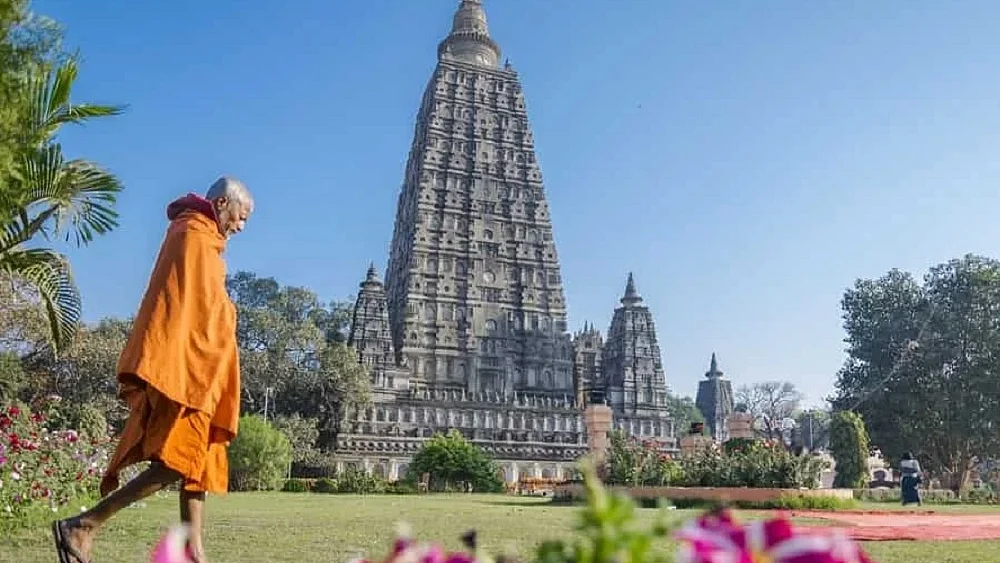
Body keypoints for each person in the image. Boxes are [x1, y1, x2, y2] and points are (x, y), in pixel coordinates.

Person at [51, 177, 254, 563]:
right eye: (240, 217)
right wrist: (227, 315)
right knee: (177, 462)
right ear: (223, 202)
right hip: (186, 371)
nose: (240, 227)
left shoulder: (202, 238)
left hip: (202, 373)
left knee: (200, 461)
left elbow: (205, 306)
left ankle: (193, 552)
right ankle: (85, 524)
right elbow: (189, 309)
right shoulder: (192, 235)